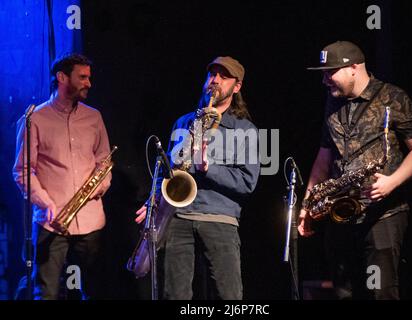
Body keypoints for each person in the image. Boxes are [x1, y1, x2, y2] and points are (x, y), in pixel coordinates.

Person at [298, 41, 412, 300]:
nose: (325, 80)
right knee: (343, 292)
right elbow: (324, 157)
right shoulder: (332, 102)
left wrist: (392, 182)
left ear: (353, 68)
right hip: (341, 213)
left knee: (380, 292)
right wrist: (307, 204)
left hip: (383, 213)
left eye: (330, 72)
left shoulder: (393, 97)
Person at [135, 56, 260, 300]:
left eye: (224, 76)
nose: (215, 80)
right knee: (174, 295)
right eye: (212, 74)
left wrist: (207, 168)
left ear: (237, 86)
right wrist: (153, 200)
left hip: (220, 219)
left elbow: (248, 182)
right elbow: (166, 171)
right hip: (178, 217)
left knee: (229, 296)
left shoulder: (246, 130)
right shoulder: (184, 122)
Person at [12, 53, 112, 299]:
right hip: (51, 222)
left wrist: (100, 185)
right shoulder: (35, 119)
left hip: (90, 221)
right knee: (46, 292)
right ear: (61, 77)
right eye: (83, 77)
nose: (89, 83)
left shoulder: (94, 117)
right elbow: (22, 170)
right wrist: (45, 202)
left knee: (95, 290)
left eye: (89, 77)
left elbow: (104, 161)